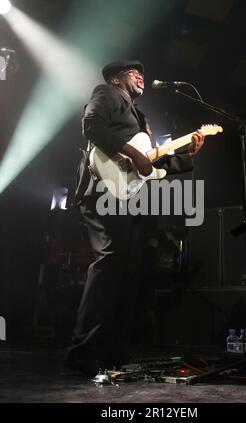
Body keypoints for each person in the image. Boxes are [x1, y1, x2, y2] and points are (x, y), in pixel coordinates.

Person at [65, 60, 205, 376]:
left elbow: (149, 167)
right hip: (101, 190)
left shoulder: (138, 117)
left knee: (128, 272)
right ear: (116, 78)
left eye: (142, 71)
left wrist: (186, 155)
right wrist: (134, 153)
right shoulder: (107, 93)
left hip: (126, 196)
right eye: (133, 72)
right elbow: (92, 127)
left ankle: (113, 351)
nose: (141, 75)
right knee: (109, 265)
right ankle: (81, 351)